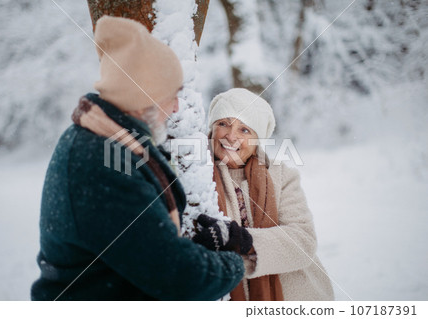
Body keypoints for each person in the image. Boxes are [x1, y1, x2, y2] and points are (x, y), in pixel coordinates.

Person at [31, 16, 246, 301]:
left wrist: (198, 246)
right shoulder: (102, 162)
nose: (176, 106)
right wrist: (234, 261)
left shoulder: (104, 139)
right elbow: (176, 275)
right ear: (146, 97)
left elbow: (139, 246)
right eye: (172, 94)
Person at [191, 88, 335, 301]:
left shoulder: (282, 175)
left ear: (258, 139)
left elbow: (303, 240)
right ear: (211, 129)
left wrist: (242, 240)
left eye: (245, 130)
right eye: (223, 124)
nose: (231, 136)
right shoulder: (196, 174)